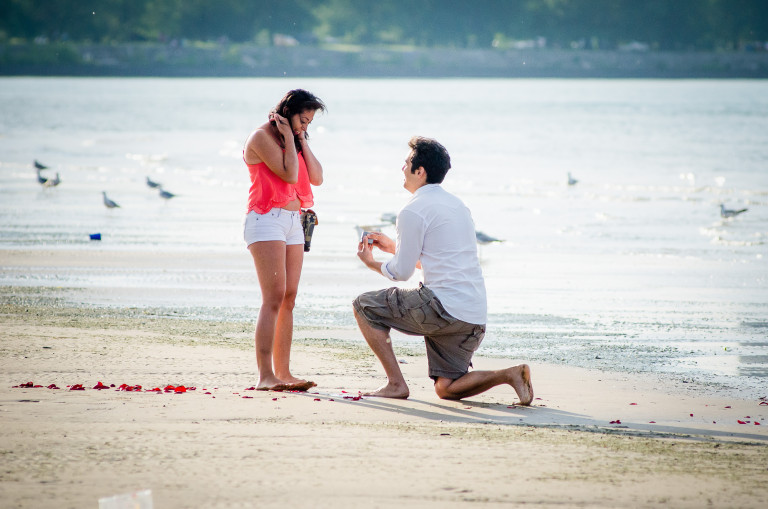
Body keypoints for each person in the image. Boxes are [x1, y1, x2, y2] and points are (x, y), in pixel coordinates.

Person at [353, 136, 533, 404]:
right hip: (473, 316)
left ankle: (395, 384)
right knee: (447, 388)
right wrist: (393, 248)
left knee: (364, 305)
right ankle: (510, 375)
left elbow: (401, 273)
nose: (401, 169)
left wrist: (371, 263)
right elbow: (440, 261)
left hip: (443, 310)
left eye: (406, 163)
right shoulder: (458, 205)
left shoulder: (412, 210)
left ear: (419, 171)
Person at [243, 89, 325, 391]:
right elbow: (290, 176)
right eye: (302, 120)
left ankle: (284, 372)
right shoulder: (262, 136)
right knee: (274, 297)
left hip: (293, 221)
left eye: (309, 123)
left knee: (289, 297)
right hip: (265, 220)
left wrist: (300, 138)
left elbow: (315, 177)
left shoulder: (296, 139)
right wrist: (290, 138)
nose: (304, 126)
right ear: (287, 112)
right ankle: (265, 375)